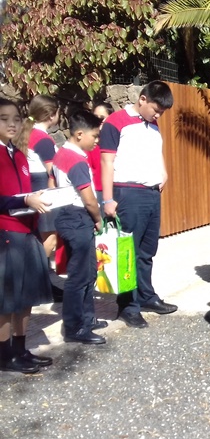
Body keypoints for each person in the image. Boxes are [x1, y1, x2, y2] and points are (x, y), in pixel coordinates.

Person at [100, 81, 177, 328]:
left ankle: (146, 296)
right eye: (156, 109)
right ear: (142, 99)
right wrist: (108, 199)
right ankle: (128, 306)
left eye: (161, 112)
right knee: (128, 252)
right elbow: (106, 162)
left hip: (151, 193)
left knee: (147, 251)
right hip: (128, 193)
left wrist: (163, 172)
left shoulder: (152, 125)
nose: (158, 115)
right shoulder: (116, 122)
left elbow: (156, 152)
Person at [0, 97, 53, 373]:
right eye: (4, 119)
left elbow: (23, 193)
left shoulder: (19, 154)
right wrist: (24, 200)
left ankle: (20, 350)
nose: (12, 124)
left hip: (27, 230)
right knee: (7, 300)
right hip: (6, 233)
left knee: (27, 296)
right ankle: (4, 355)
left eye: (16, 119)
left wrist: (36, 198)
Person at [52, 110, 106, 344]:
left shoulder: (61, 153)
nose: (97, 141)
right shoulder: (76, 160)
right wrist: (98, 219)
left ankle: (87, 318)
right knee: (79, 275)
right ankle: (75, 327)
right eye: (94, 136)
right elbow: (89, 198)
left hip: (68, 215)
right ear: (80, 134)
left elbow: (52, 181)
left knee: (88, 271)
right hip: (78, 216)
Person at [20, 95, 62, 300]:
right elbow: (52, 170)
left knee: (39, 237)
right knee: (49, 238)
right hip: (44, 187)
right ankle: (39, 281)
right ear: (52, 115)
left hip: (31, 187)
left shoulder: (27, 132)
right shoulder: (43, 139)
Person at [88, 102, 114, 200]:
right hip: (97, 191)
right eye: (95, 118)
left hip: (115, 189)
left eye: (102, 118)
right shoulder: (89, 142)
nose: (98, 121)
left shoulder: (116, 140)